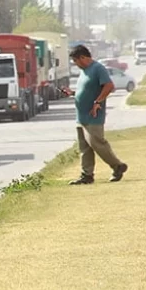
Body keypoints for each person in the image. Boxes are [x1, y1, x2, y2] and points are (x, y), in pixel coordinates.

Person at [60, 45, 128, 185]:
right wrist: (72, 93)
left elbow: (109, 86)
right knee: (84, 147)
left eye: (76, 61)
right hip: (81, 116)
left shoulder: (98, 68)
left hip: (93, 115)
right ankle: (87, 175)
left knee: (97, 143)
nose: (75, 64)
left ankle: (117, 166)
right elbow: (85, 90)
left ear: (83, 57)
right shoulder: (84, 71)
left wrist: (98, 102)